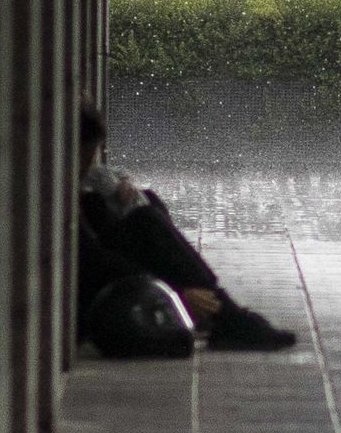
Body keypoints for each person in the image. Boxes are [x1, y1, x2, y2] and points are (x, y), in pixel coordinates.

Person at [77, 103, 296, 351]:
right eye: (83, 157)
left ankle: (218, 308)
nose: (85, 167)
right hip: (84, 297)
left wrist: (122, 187)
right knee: (146, 220)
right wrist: (175, 292)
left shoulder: (75, 184)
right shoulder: (52, 193)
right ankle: (224, 312)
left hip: (98, 273)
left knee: (148, 203)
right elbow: (93, 259)